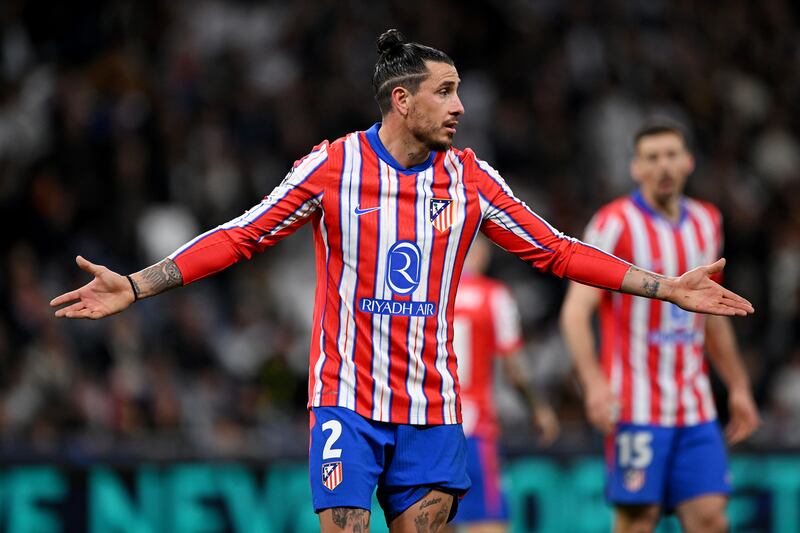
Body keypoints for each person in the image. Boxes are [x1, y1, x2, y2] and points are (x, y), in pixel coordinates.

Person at [51, 30, 754, 533]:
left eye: (459, 93)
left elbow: (559, 252)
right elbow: (242, 235)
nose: (459, 107)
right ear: (400, 99)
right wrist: (137, 285)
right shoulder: (332, 167)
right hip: (346, 404)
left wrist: (667, 286)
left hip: (432, 408)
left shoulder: (472, 178)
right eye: (445, 93)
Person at [559, 119, 760, 533]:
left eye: (671, 155)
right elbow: (575, 313)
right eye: (652, 158)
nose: (663, 166)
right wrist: (594, 385)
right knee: (638, 521)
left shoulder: (708, 220)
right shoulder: (614, 223)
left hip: (695, 407)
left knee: (711, 519)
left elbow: (713, 316)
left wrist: (738, 386)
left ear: (688, 161)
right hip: (635, 407)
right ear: (636, 168)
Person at [448, 236, 560, 532]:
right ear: (480, 253)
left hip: (423, 429)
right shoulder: (493, 296)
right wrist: (538, 408)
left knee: (428, 522)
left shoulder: (421, 295)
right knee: (488, 523)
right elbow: (515, 368)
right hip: (473, 428)